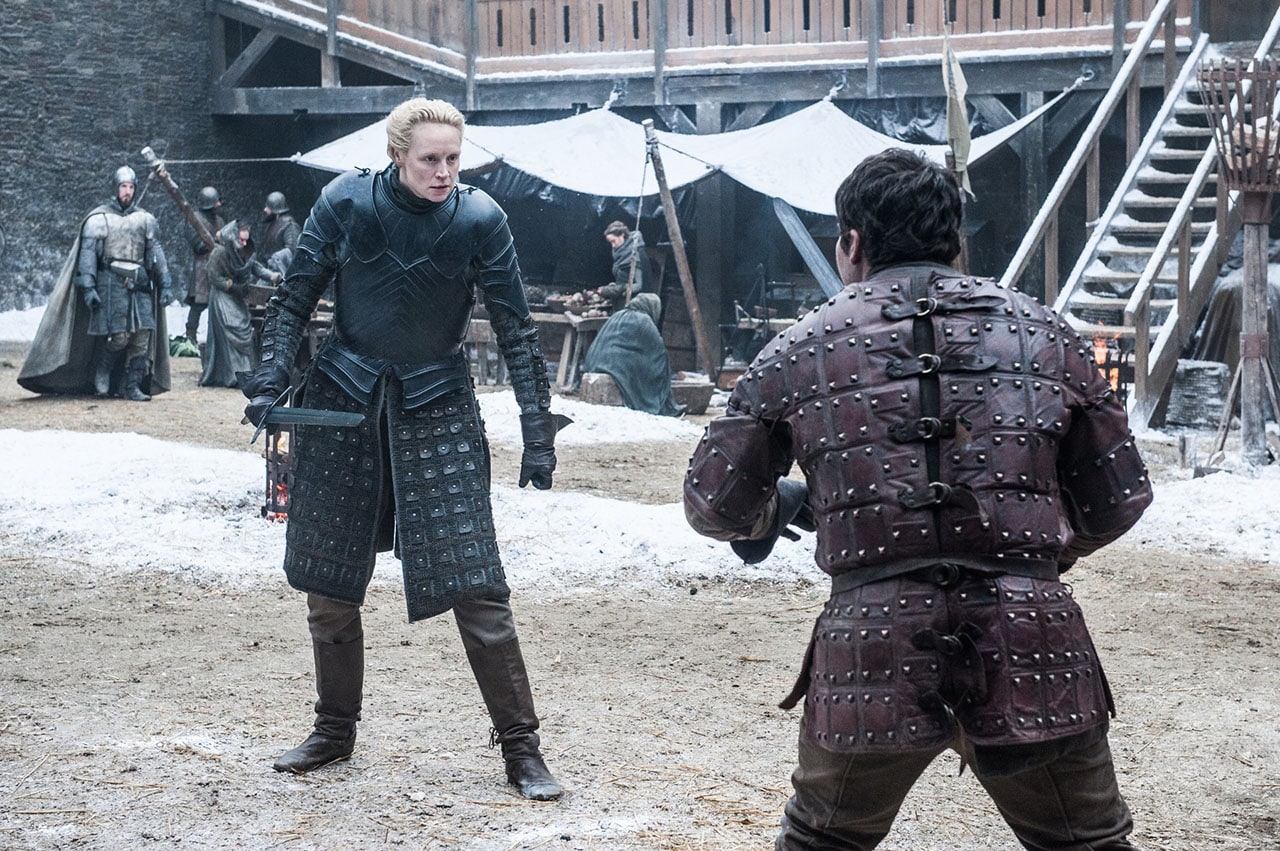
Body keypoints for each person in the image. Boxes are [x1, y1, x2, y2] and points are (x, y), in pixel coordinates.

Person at [682, 149, 1154, 850]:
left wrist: (778, 507)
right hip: (1031, 641)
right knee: (1089, 845)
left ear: (852, 244)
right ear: (955, 241)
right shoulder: (1045, 333)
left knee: (822, 842)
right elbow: (1118, 499)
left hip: (871, 649)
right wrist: (1035, 553)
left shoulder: (799, 348)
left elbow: (713, 505)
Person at [239, 97, 570, 800]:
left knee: (477, 585)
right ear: (397, 156)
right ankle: (334, 730)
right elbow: (294, 298)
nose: (444, 172)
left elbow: (516, 329)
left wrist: (537, 430)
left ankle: (522, 747)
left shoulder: (481, 219)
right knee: (329, 582)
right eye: (430, 159)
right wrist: (268, 378)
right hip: (342, 401)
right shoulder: (344, 202)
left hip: (437, 406)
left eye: (453, 159)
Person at [18, 166, 174, 401]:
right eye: (123, 186)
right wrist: (89, 288)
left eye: (131, 187)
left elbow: (155, 252)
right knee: (119, 336)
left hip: (140, 284)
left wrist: (165, 283)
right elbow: (88, 257)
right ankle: (103, 369)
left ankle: (131, 386)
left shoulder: (145, 219)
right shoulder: (98, 219)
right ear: (115, 188)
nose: (128, 191)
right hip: (112, 285)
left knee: (142, 337)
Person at [199, 220, 279, 387]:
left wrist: (273, 276)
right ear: (233, 237)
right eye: (241, 240)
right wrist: (230, 285)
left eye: (246, 240)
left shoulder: (245, 251)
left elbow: (255, 267)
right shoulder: (220, 252)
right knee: (230, 331)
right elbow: (213, 276)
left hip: (237, 298)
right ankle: (229, 376)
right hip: (222, 297)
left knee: (243, 331)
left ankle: (244, 373)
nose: (244, 243)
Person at [581, 292, 685, 416]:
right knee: (658, 364)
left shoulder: (617, 315)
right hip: (615, 366)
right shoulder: (644, 321)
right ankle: (658, 402)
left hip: (595, 362)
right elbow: (659, 353)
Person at [184, 186, 226, 345]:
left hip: (219, 268)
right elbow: (197, 245)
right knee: (197, 306)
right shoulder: (194, 218)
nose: (219, 204)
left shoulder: (220, 221)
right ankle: (190, 338)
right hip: (202, 268)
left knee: (219, 306)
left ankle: (217, 341)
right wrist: (213, 241)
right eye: (216, 202)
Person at [595, 220, 653, 311]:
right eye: (610, 243)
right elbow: (623, 278)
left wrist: (614, 290)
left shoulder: (635, 254)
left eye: (613, 241)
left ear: (622, 235)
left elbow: (639, 285)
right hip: (620, 302)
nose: (613, 246)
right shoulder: (620, 254)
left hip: (632, 305)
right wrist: (613, 286)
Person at [254, 190, 300, 272]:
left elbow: (291, 251)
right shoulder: (271, 224)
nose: (265, 209)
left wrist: (275, 262)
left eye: (268, 207)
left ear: (275, 209)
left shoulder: (290, 226)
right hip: (269, 269)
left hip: (281, 272)